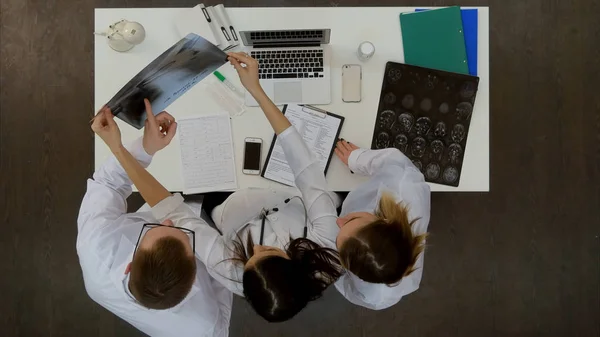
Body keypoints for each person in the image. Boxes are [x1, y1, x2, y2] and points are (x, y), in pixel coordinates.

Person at [183, 52, 344, 322]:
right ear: (295, 264)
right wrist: (255, 90)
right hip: (290, 195)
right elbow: (306, 169)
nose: (255, 249)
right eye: (267, 251)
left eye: (250, 258)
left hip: (232, 208)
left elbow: (184, 222)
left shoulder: (238, 276)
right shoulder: (327, 254)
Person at [77, 103, 232, 337]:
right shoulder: (207, 326)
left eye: (152, 228)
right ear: (195, 276)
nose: (169, 220)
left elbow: (107, 184)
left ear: (129, 266)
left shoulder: (95, 243)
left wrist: (145, 149)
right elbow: (222, 279)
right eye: (186, 236)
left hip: (165, 194)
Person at [332, 139, 430, 310]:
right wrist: (357, 159)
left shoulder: (375, 296)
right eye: (353, 220)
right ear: (384, 220)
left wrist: (333, 270)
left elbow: (348, 287)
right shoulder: (404, 187)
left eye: (338, 246)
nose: (338, 221)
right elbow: (395, 161)